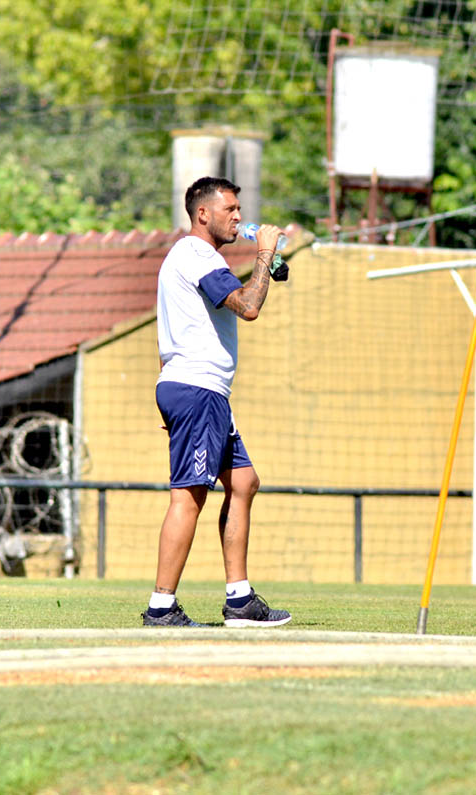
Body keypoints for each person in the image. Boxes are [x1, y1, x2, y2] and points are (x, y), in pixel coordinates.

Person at [142, 176, 292, 628]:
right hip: (198, 389)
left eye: (239, 210)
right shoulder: (196, 254)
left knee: (243, 482)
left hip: (200, 391)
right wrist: (264, 253)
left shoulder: (198, 261)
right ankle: (161, 607)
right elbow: (248, 306)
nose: (240, 218)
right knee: (189, 495)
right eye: (230, 209)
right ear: (202, 214)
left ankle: (240, 600)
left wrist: (270, 265)